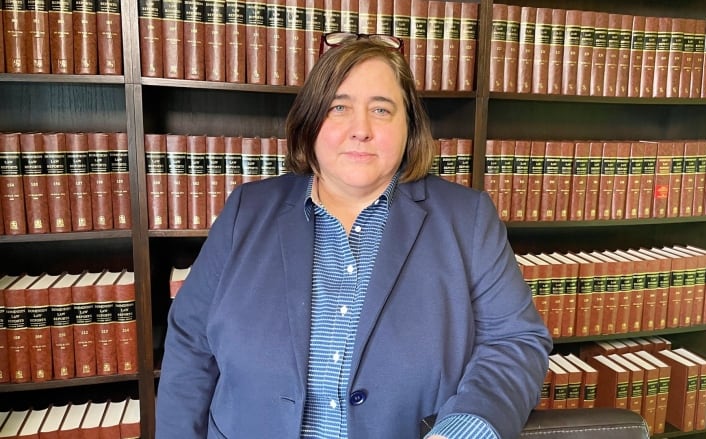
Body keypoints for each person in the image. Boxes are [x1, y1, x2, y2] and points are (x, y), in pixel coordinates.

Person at [156, 33, 552, 439]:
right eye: (338, 107)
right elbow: (191, 342)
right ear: (311, 122)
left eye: (381, 110)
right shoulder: (246, 210)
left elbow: (515, 340)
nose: (360, 129)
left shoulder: (466, 219)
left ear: (408, 127)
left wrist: (466, 428)